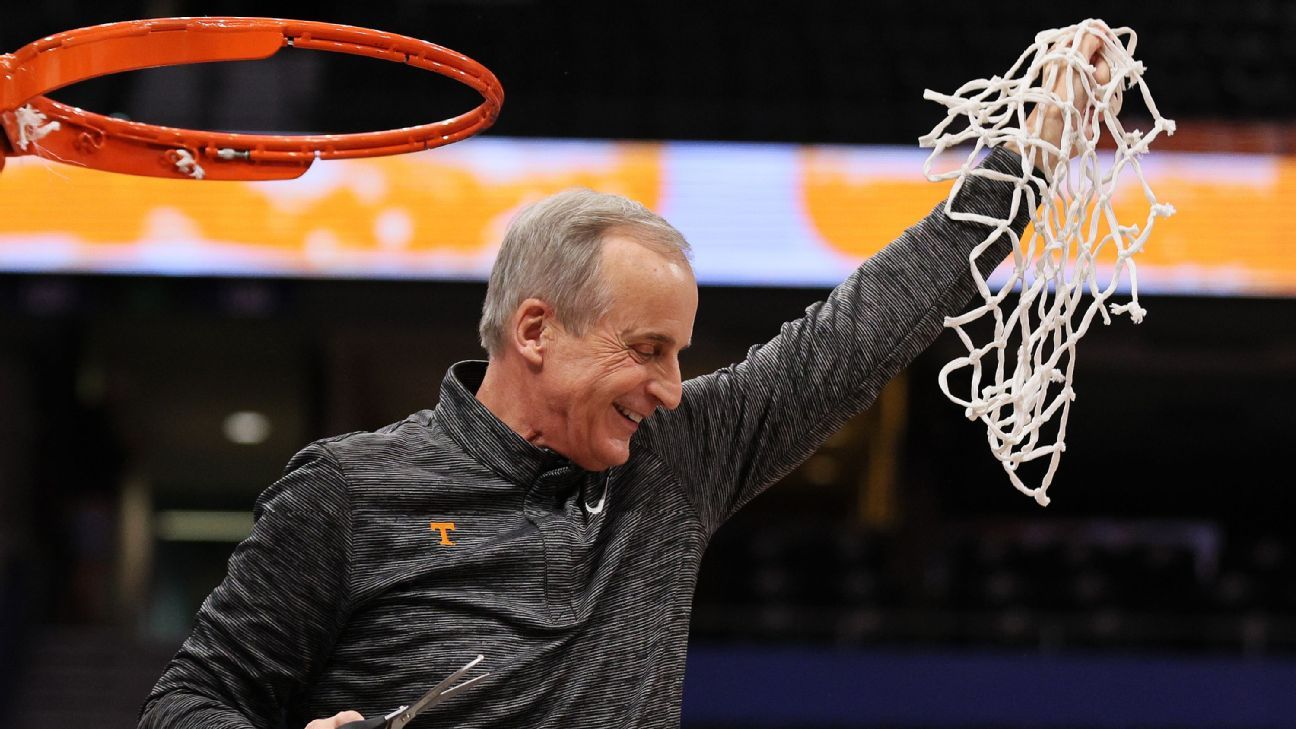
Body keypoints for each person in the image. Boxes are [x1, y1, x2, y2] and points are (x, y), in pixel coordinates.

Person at [139, 32, 1114, 729]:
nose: (675, 387)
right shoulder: (349, 494)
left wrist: (1023, 162)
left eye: (681, 353)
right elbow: (187, 702)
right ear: (535, 331)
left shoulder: (675, 463)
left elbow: (850, 339)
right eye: (648, 348)